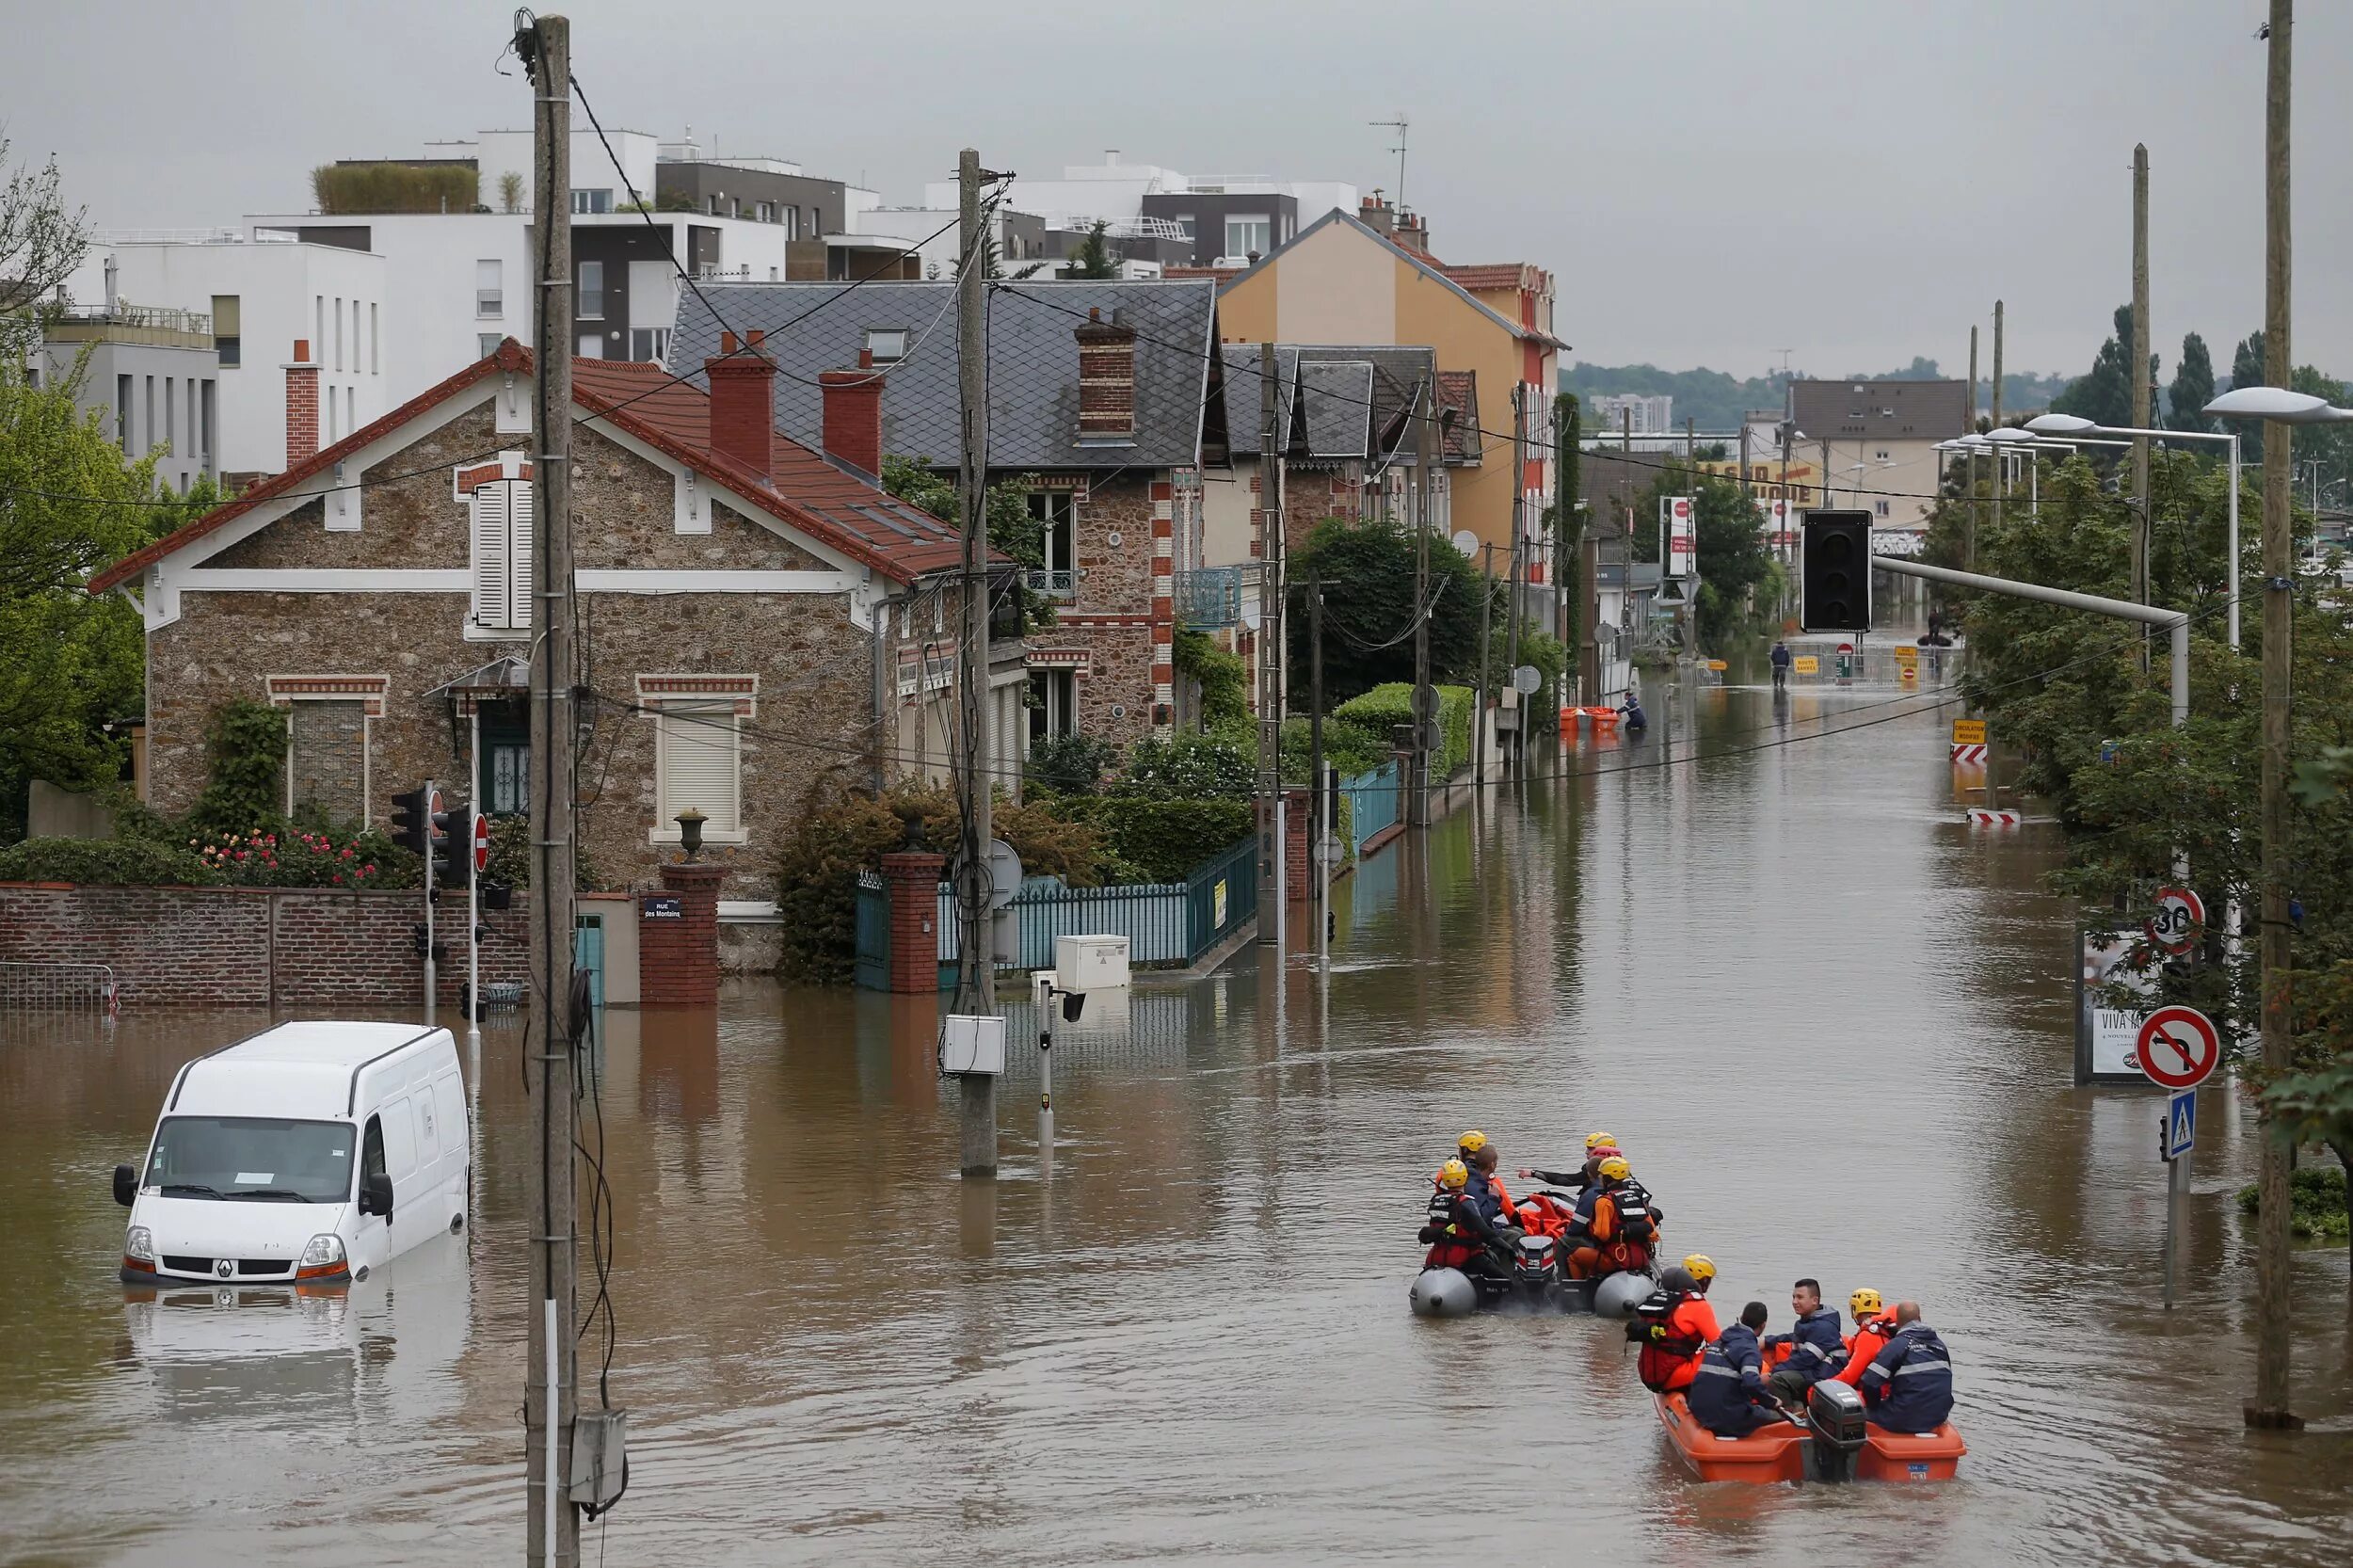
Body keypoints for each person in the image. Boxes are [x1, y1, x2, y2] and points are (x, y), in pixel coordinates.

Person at [1689, 1302, 1784, 1439]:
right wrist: (1772, 1401)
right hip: (1728, 1414)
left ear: (1741, 1317)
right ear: (1763, 1325)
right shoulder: (1749, 1349)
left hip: (1699, 1409)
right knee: (1775, 1416)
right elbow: (1751, 1383)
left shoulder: (1718, 1342)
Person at [1858, 1301, 1954, 1433]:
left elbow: (1870, 1382)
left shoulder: (1897, 1345)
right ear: (1919, 1319)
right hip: (1938, 1416)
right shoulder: (1939, 1345)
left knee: (1856, 1414)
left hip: (1902, 1417)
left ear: (1898, 1324)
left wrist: (1874, 1405)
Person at [1631, 1255, 1721, 1393]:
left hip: (1648, 1373)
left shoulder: (1660, 1301)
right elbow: (1719, 1343)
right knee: (1720, 1354)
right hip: (1673, 1375)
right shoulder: (1698, 1306)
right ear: (1704, 1280)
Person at [1563, 1156, 1657, 1279]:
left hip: (1615, 1259)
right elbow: (1653, 1235)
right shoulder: (1638, 1198)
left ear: (1606, 1177)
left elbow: (1602, 1235)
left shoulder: (1604, 1201)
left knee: (1573, 1256)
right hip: (1640, 1259)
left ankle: (1578, 1290)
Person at [1419, 1159, 1509, 1284]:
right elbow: (1485, 1230)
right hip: (1464, 1257)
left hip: (1436, 1257)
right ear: (1465, 1178)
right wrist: (1509, 1249)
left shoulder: (1435, 1201)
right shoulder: (1466, 1202)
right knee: (1504, 1279)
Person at [1762, 1278, 1848, 1406]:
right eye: (1793, 1297)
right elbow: (1795, 1337)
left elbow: (1806, 1358)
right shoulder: (1809, 1321)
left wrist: (1771, 1373)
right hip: (1813, 1370)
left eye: (1800, 1297)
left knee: (1778, 1380)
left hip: (1824, 1375)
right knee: (1780, 1374)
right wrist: (1767, 1341)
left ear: (1815, 1300)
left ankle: (1790, 1416)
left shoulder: (1824, 1327)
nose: (1794, 1302)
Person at [1832, 1288, 1899, 1389]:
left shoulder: (1867, 1336)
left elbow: (1849, 1377)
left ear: (1855, 1308)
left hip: (1873, 1394)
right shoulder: (1885, 1329)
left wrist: (1819, 1388)